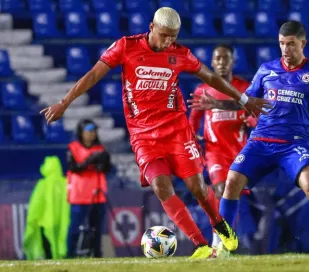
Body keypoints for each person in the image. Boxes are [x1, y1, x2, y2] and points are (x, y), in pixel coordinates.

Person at [40, 7, 271, 259]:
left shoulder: (179, 53)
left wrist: (243, 98)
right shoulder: (126, 47)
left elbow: (211, 77)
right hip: (143, 136)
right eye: (164, 35)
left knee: (197, 186)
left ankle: (220, 224)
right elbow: (94, 74)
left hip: (177, 131)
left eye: (173, 36)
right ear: (151, 27)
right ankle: (201, 246)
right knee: (161, 187)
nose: (169, 41)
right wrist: (64, 102)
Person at [189, 20, 309, 256]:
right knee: (231, 184)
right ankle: (224, 247)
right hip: (260, 142)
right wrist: (218, 104)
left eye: (291, 44)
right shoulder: (266, 70)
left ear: (303, 43)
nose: (286, 50)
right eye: (282, 44)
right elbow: (245, 102)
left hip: (293, 145)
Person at [188, 44, 255, 247]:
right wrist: (192, 137)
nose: (221, 62)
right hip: (215, 152)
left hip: (240, 152)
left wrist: (251, 122)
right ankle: (219, 242)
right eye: (217, 58)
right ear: (212, 62)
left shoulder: (244, 88)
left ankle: (230, 236)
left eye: (226, 58)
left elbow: (256, 117)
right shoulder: (203, 90)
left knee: (231, 195)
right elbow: (193, 120)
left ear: (233, 61)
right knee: (219, 190)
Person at [66, 119, 111, 258]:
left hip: (98, 194)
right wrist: (90, 160)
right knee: (74, 228)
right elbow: (74, 168)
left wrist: (104, 163)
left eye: (94, 131)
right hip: (79, 196)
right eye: (89, 131)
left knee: (97, 229)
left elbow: (107, 168)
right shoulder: (73, 147)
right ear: (81, 132)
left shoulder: (100, 149)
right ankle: (70, 254)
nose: (92, 134)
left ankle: (97, 254)